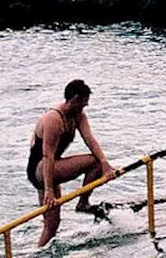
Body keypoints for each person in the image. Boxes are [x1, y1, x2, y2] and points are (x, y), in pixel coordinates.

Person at [27, 79, 116, 247]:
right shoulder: (53, 119)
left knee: (51, 225)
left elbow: (90, 140)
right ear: (74, 100)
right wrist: (48, 190)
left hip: (52, 167)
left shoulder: (78, 116)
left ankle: (37, 252)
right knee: (94, 162)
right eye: (83, 104)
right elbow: (47, 156)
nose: (84, 107)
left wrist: (106, 164)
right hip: (41, 168)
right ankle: (83, 203)